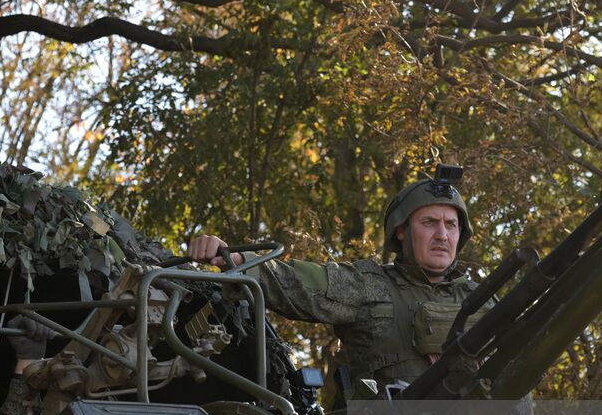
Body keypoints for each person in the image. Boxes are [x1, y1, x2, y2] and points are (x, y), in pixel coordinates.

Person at [188, 165, 485, 399]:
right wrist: (236, 260)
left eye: (451, 225)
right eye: (429, 223)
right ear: (401, 232)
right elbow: (298, 283)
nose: (442, 235)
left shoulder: (482, 302)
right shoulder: (370, 285)